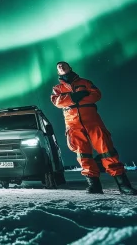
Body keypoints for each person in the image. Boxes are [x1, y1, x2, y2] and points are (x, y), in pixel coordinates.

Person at [51, 61, 136, 195]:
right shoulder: (57, 88)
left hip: (92, 120)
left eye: (63, 65)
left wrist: (71, 99)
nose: (61, 67)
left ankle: (123, 185)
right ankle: (94, 186)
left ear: (69, 67)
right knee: (83, 154)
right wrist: (77, 96)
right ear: (58, 72)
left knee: (107, 150)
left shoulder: (85, 82)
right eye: (58, 67)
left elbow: (96, 95)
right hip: (73, 124)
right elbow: (57, 102)